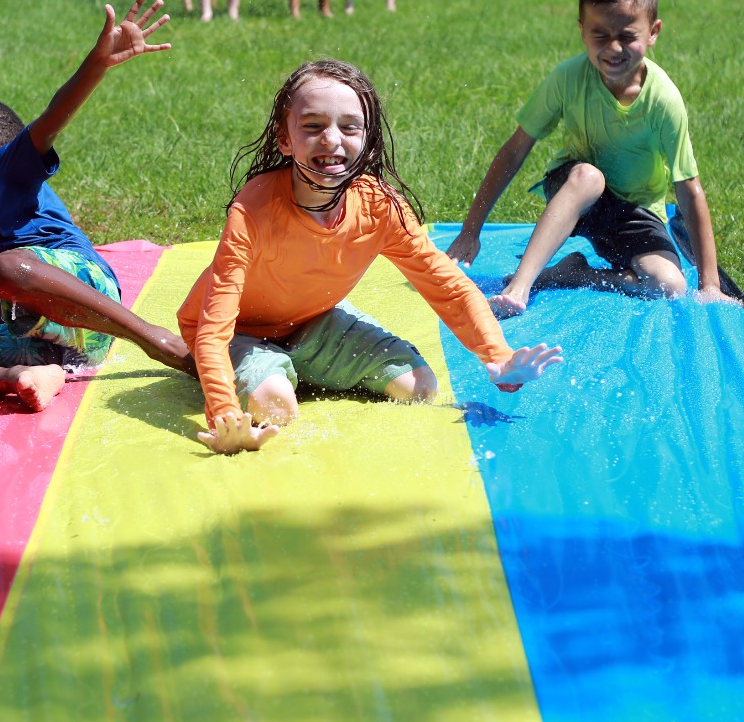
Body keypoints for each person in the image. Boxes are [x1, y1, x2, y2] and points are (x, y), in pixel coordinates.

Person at [177, 59, 562, 454]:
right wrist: (225, 415)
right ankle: (277, 374)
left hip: (309, 320)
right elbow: (213, 326)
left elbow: (445, 284)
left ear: (369, 140)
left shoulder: (378, 206)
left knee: (420, 387)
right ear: (285, 139)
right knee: (277, 408)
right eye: (312, 126)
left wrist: (496, 356)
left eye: (349, 127)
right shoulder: (253, 210)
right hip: (238, 331)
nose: (331, 139)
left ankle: (293, 366)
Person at [0, 0, 194, 411]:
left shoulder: (2, 168)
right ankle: (20, 379)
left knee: (6, 268)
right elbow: (5, 300)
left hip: (90, 299)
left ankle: (154, 338)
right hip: (55, 345)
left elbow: (53, 117)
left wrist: (97, 64)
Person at [446, 0, 726, 315]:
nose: (613, 48)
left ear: (653, 32)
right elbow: (515, 150)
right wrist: (471, 230)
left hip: (634, 210)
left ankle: (576, 274)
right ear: (582, 30)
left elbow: (689, 187)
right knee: (589, 177)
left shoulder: (664, 99)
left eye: (627, 36)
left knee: (668, 286)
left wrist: (711, 285)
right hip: (575, 192)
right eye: (600, 35)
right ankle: (521, 286)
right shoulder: (567, 78)